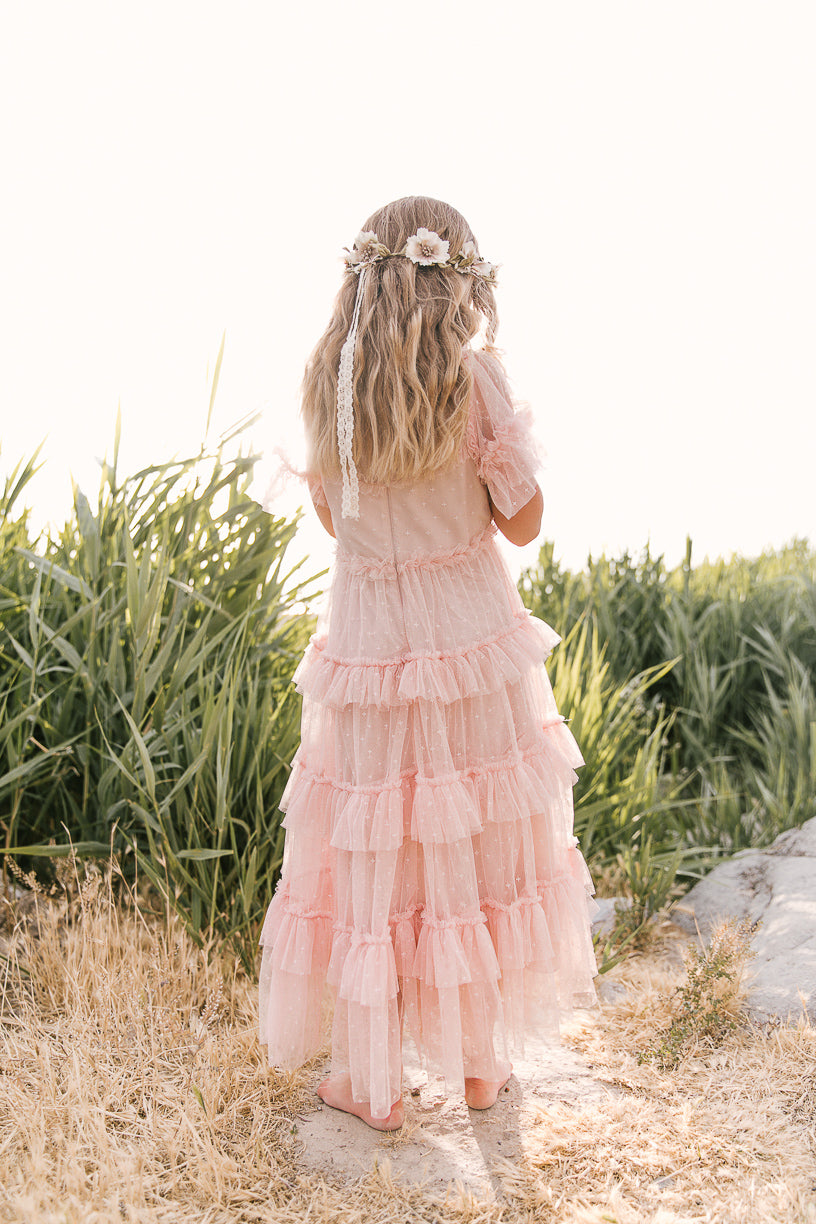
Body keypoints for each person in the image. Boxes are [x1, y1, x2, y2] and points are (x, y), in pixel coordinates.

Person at [258, 196, 598, 1131]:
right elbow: (523, 523)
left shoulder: (332, 381)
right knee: (476, 845)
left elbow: (334, 518)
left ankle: (371, 1085)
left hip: (371, 642)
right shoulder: (475, 380)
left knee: (377, 847)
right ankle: (481, 1064)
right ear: (460, 281)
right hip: (471, 639)